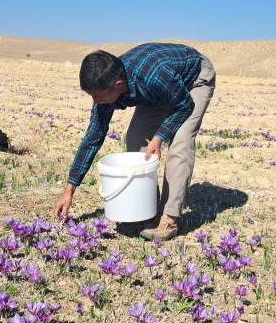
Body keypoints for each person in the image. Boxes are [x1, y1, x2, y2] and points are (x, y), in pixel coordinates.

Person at [53, 43, 216, 241]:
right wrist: (70, 189)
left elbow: (184, 106)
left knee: (180, 144)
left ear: (119, 85)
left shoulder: (153, 77)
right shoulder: (108, 86)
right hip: (159, 91)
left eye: (98, 96)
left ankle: (168, 218)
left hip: (192, 80)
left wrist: (160, 136)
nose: (95, 101)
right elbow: (93, 137)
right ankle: (148, 206)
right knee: (136, 138)